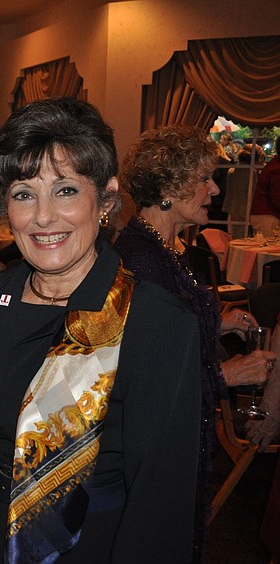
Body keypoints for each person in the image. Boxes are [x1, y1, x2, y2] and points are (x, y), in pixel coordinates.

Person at [0, 98, 203, 563]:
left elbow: (160, 513)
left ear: (105, 198)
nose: (43, 217)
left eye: (65, 190)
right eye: (24, 193)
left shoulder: (154, 324)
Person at [113, 124, 276, 557]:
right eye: (204, 178)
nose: (215, 190)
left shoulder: (166, 250)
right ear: (168, 187)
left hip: (182, 435)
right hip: (156, 448)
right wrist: (230, 373)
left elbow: (169, 330)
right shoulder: (141, 263)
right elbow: (141, 382)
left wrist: (218, 321)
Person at [223, 144, 265, 239]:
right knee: (243, 238)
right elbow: (253, 192)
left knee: (234, 235)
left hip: (233, 208)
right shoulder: (250, 172)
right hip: (245, 209)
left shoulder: (232, 169)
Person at [250, 135, 280, 236]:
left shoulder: (275, 165)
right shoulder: (276, 168)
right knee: (271, 249)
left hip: (266, 215)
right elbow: (277, 197)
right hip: (268, 216)